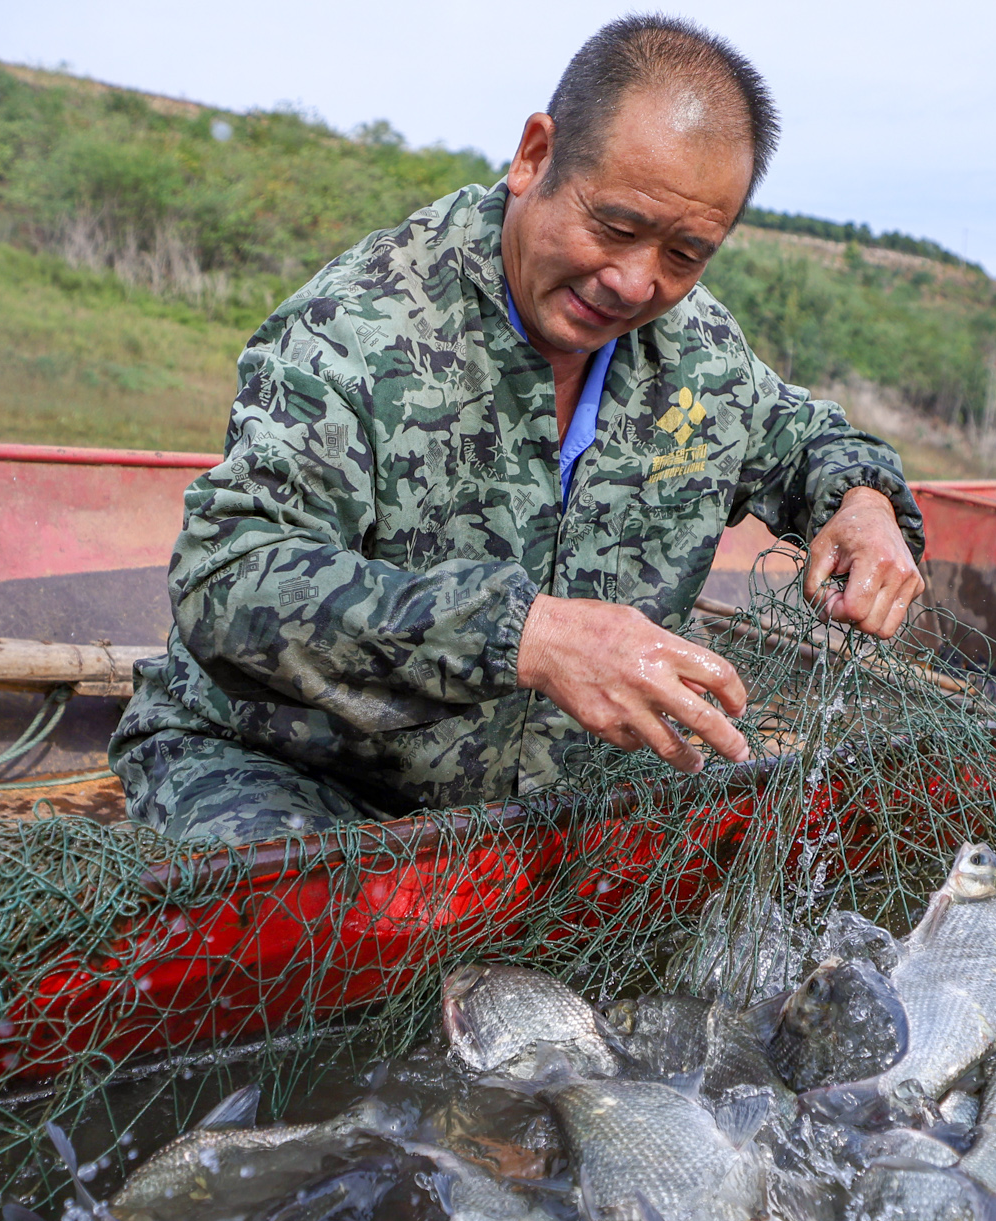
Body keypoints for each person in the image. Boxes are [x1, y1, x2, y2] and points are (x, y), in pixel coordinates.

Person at [110, 15, 926, 841]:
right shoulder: (357, 329)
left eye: (685, 254)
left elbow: (804, 438)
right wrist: (529, 635)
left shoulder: (699, 350)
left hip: (544, 805)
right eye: (614, 227)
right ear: (536, 155)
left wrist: (861, 503)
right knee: (315, 941)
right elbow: (229, 581)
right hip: (297, 771)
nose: (635, 281)